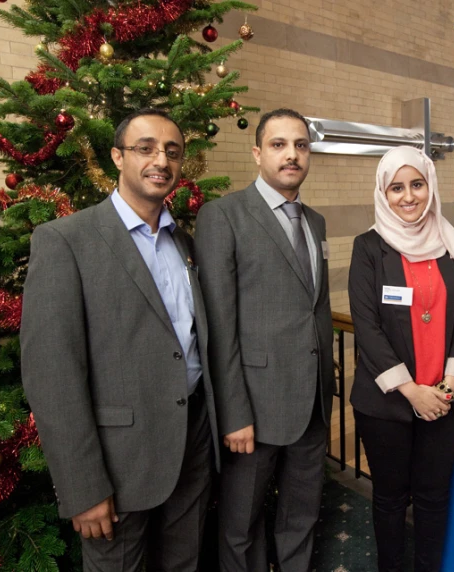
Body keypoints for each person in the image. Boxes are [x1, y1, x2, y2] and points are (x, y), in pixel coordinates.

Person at [20, 109, 219, 570]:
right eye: (145, 148)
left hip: (191, 446)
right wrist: (83, 486)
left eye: (172, 151)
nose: (161, 161)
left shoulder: (183, 243)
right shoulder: (65, 241)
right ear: (117, 157)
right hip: (118, 462)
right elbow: (52, 375)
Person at [194, 108, 334, 572]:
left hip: (312, 400)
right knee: (241, 526)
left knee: (302, 515)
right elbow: (218, 324)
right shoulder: (223, 216)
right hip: (253, 408)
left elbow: (311, 307)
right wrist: (233, 413)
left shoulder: (314, 221)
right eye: (278, 145)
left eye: (300, 145)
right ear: (257, 153)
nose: (291, 155)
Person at [348, 146, 454, 572]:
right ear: (383, 193)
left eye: (416, 185)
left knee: (434, 500)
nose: (408, 196)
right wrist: (411, 392)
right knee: (389, 499)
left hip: (443, 400)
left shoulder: (450, 243)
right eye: (396, 187)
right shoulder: (368, 248)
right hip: (387, 405)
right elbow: (367, 326)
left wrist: (447, 387)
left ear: (429, 187)